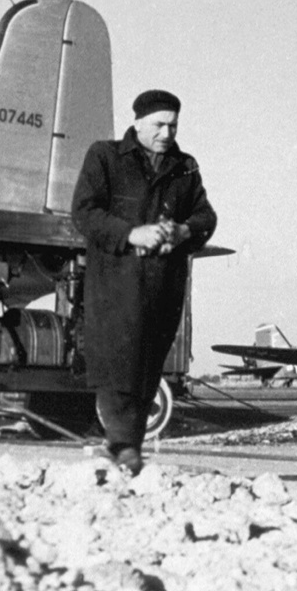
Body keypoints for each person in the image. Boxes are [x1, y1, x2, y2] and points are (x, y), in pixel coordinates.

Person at [72, 90, 217, 475]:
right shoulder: (104, 156)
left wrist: (184, 229)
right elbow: (85, 213)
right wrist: (132, 234)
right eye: (159, 125)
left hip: (163, 285)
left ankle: (124, 448)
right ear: (137, 123)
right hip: (116, 282)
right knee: (117, 364)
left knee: (148, 369)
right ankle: (123, 447)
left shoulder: (184, 167)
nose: (167, 132)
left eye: (173, 125)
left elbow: (206, 217)